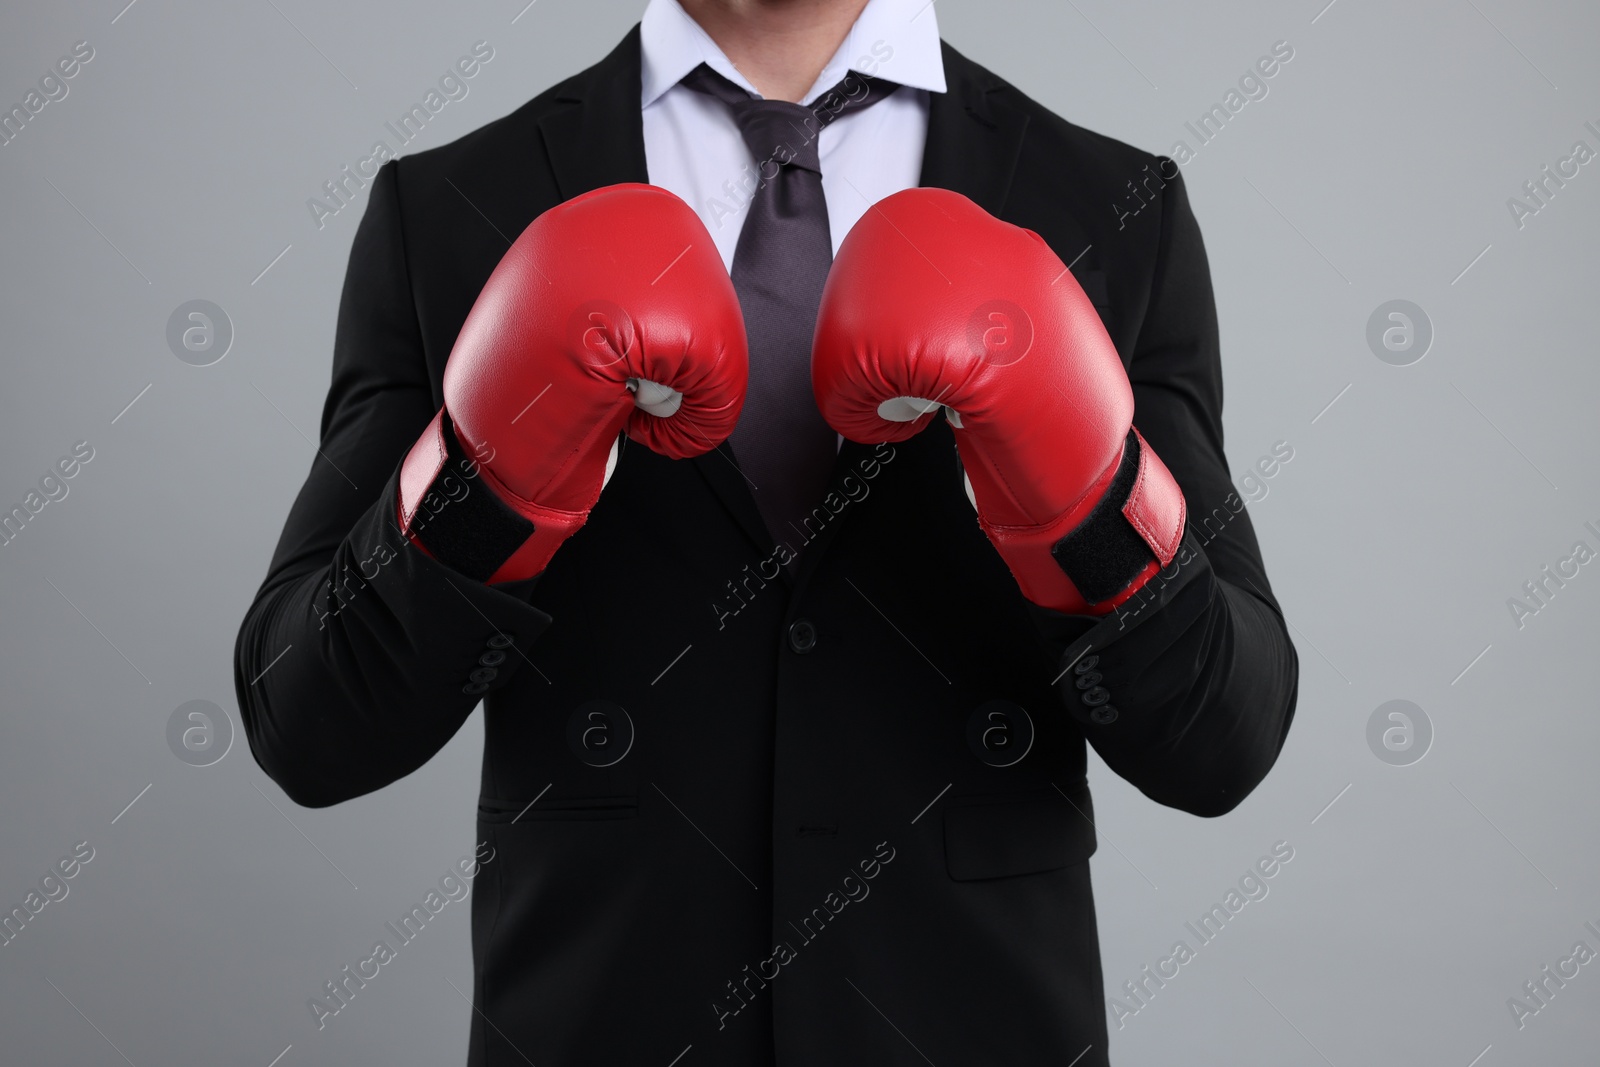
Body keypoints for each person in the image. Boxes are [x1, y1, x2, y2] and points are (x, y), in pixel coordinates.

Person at [234, 0, 1299, 1063]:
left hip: (970, 1026)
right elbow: (308, 721)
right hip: (600, 1024)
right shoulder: (454, 204)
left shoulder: (1114, 204)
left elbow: (1222, 739)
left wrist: (1086, 495)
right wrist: (484, 481)